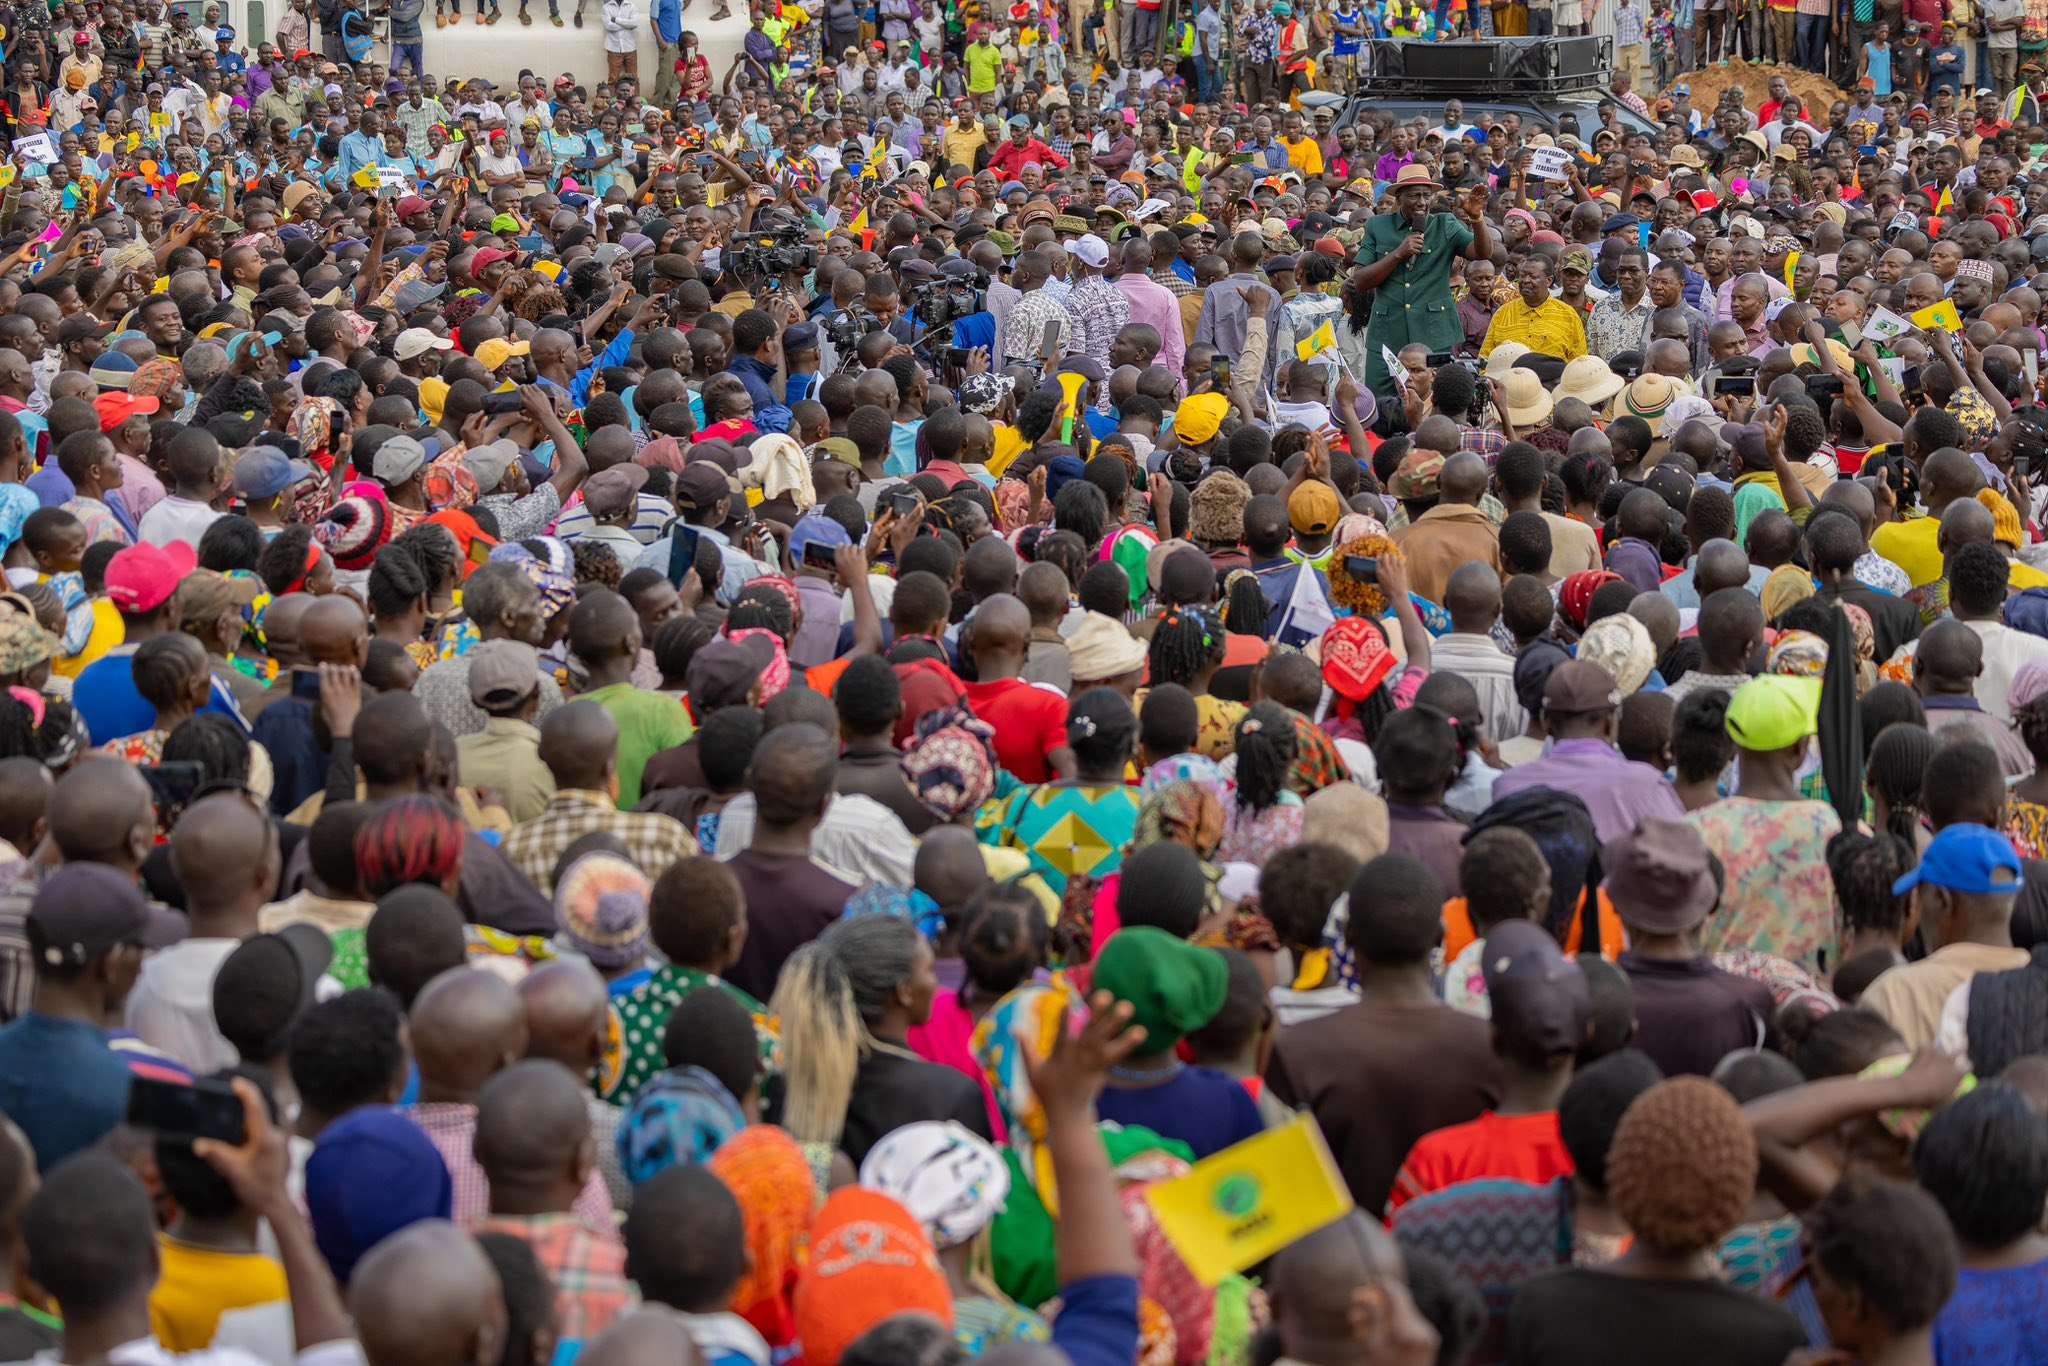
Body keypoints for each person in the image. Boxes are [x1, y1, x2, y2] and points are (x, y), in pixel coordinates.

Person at [1267, 854, 1501, 1214]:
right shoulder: (1490, 1047)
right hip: (1459, 1261)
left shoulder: (1298, 1052)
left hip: (1335, 1264)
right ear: (1439, 938)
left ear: (1348, 937)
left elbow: (1280, 1197)